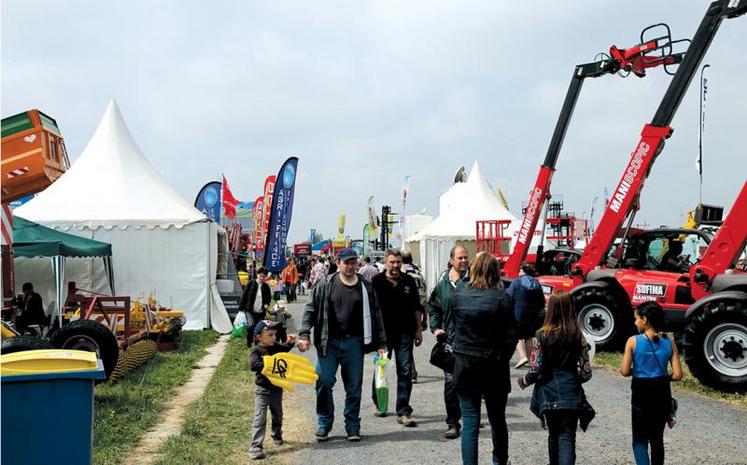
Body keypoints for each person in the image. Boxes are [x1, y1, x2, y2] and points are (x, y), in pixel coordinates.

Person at [298, 248, 387, 442]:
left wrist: (380, 342)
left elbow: (376, 315)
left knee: (354, 386)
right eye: (346, 262)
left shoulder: (365, 286)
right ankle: (324, 423)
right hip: (328, 342)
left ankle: (352, 425)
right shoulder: (325, 284)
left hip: (354, 343)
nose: (350, 266)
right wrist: (304, 334)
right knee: (323, 381)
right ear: (337, 263)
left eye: (353, 262)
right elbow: (310, 311)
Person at [450, 252, 517, 465]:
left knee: (470, 421)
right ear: (495, 272)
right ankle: (499, 462)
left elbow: (453, 326)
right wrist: (503, 357)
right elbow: (511, 336)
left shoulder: (458, 294)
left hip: (464, 365)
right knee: (497, 421)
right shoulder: (501, 297)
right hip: (494, 366)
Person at [517, 290, 594, 465]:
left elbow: (536, 369)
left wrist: (524, 381)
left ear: (550, 309)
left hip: (548, 392)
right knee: (567, 437)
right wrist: (573, 380)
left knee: (554, 435)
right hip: (571, 392)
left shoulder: (541, 335)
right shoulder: (578, 336)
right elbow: (586, 372)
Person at [620, 301, 683, 465]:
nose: (635, 322)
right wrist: (663, 376)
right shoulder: (669, 342)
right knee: (657, 439)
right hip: (661, 393)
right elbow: (677, 375)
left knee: (639, 439)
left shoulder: (633, 341)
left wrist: (640, 372)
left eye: (636, 319)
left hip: (641, 394)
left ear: (645, 320)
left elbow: (625, 371)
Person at [371, 249, 423, 425]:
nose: (395, 266)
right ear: (385, 262)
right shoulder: (376, 282)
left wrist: (418, 330)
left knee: (405, 371)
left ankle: (403, 410)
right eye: (392, 262)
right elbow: (370, 310)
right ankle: (380, 403)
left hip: (405, 333)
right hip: (383, 335)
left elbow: (417, 307)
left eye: (398, 262)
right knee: (381, 370)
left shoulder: (408, 281)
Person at [427, 244, 469, 439]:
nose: (463, 261)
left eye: (465, 258)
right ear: (451, 260)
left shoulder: (472, 282)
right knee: (451, 382)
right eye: (460, 258)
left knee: (470, 382)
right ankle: (453, 422)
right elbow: (433, 306)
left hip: (470, 343)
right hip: (450, 342)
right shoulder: (443, 284)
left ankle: (470, 418)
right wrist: (435, 328)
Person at [249, 320, 297, 460]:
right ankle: (255, 447)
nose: (274, 337)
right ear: (259, 337)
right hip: (262, 390)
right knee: (259, 418)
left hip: (277, 389)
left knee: (277, 414)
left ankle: (277, 434)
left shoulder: (276, 346)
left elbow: (285, 349)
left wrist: (290, 343)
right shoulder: (256, 350)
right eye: (270, 335)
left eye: (275, 335)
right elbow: (253, 365)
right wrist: (269, 363)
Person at [507, 262, 546, 368]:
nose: (519, 272)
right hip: (532, 315)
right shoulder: (536, 283)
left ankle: (523, 356)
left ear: (523, 271)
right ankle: (532, 361)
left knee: (516, 336)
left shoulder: (517, 282)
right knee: (528, 337)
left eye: (520, 270)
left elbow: (509, 297)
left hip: (518, 314)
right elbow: (541, 301)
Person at [401, 249, 428, 383]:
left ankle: (411, 371)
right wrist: (425, 319)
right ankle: (411, 370)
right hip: (417, 312)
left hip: (405, 314)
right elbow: (424, 299)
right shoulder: (419, 274)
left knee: (406, 347)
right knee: (408, 346)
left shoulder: (400, 273)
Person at [239, 267, 272, 346]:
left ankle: (257, 344)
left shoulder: (266, 287)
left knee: (259, 328)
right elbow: (244, 295)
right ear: (257, 275)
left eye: (263, 277)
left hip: (260, 311)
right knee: (251, 325)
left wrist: (267, 304)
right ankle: (249, 341)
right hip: (249, 310)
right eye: (260, 276)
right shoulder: (251, 283)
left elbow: (268, 298)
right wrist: (241, 307)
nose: (261, 278)